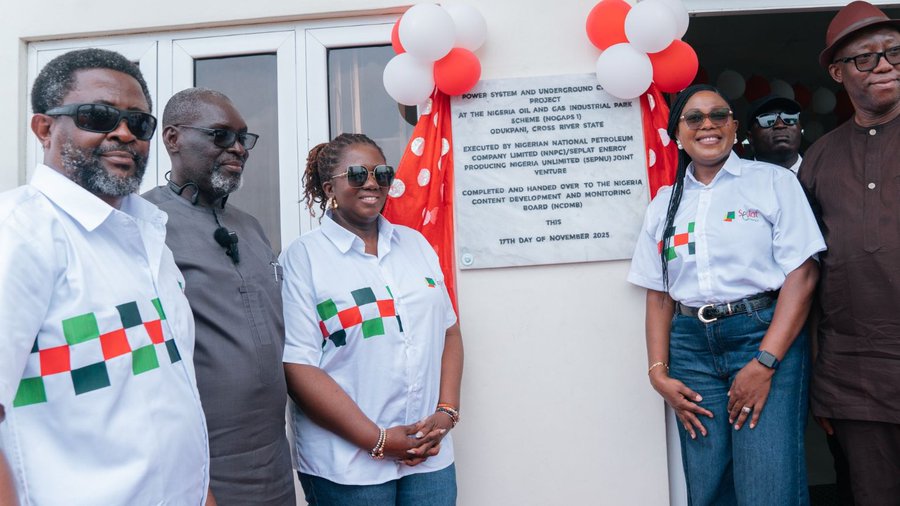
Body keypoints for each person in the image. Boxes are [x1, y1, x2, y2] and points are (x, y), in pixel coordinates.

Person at [0, 48, 212, 504]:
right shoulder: (18, 234)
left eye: (139, 123)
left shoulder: (146, 234)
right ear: (44, 128)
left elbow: (165, 390)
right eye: (97, 116)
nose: (123, 133)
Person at [627, 84, 825, 505]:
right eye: (694, 118)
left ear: (735, 127)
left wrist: (765, 362)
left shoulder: (771, 182)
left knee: (768, 482)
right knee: (708, 484)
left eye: (719, 115)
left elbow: (803, 275)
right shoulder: (664, 203)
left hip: (761, 335)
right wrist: (657, 371)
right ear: (677, 133)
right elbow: (659, 293)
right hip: (691, 349)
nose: (708, 125)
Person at [280, 133, 463, 506]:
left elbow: (450, 333)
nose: (372, 183)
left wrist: (446, 412)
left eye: (382, 173)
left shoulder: (415, 245)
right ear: (329, 188)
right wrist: (378, 440)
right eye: (357, 174)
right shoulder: (303, 258)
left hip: (428, 454)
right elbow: (298, 366)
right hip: (347, 465)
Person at [143, 88, 295, 505]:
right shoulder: (143, 226)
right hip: (200, 466)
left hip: (272, 460)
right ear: (173, 138)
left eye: (244, 138)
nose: (239, 148)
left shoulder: (250, 227)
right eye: (221, 135)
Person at [799, 2, 900, 504]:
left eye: (894, 52)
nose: (884, 65)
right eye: (865, 58)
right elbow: (806, 273)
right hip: (854, 376)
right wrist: (821, 377)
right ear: (838, 73)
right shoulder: (819, 159)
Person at [746, 95, 804, 173]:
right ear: (750, 138)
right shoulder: (739, 179)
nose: (780, 125)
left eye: (789, 118)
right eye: (767, 120)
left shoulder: (818, 170)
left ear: (800, 129)